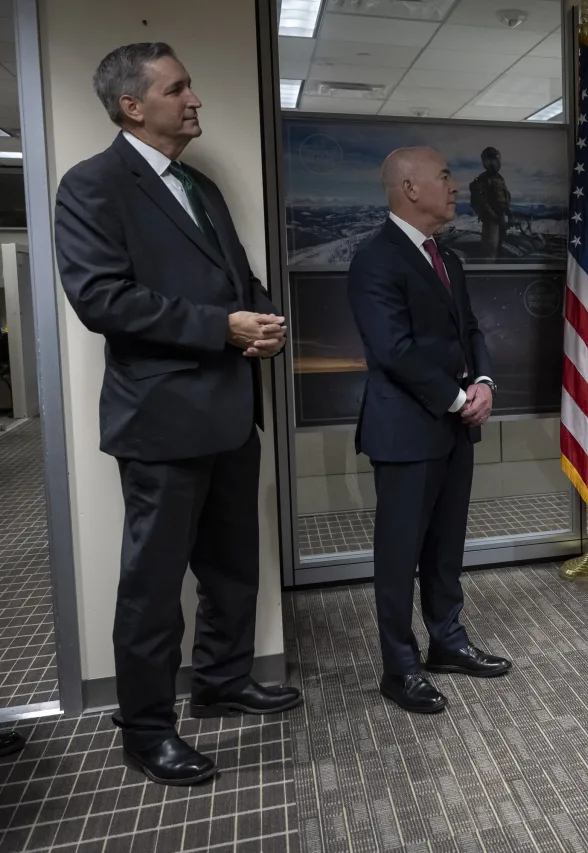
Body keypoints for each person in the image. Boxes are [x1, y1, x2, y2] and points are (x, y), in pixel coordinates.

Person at [53, 43, 302, 786]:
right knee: (154, 585)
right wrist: (221, 326)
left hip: (229, 410)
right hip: (160, 421)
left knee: (230, 568)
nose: (195, 99)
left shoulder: (199, 186)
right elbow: (103, 299)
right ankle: (147, 728)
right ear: (134, 105)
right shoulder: (91, 185)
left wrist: (261, 316)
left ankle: (223, 681)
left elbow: (236, 277)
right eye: (178, 87)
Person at [347, 147, 511, 717]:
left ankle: (448, 641)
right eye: (445, 177)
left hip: (454, 427)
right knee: (399, 555)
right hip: (407, 430)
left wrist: (484, 380)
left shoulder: (449, 259)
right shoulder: (376, 259)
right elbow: (393, 350)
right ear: (410, 189)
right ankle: (400, 667)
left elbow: (470, 330)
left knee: (445, 547)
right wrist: (459, 396)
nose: (456, 187)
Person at [468, 146, 511, 259]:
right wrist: (491, 215)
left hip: (500, 217)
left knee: (504, 247)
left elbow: (504, 197)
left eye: (496, 160)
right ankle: (489, 270)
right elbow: (478, 200)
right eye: (492, 160)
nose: (495, 163)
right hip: (491, 220)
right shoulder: (483, 179)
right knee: (491, 249)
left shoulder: (499, 178)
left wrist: (508, 212)